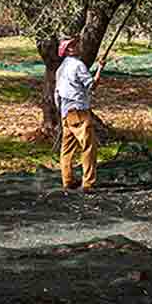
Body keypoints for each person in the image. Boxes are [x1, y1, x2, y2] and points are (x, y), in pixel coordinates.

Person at [55, 36, 102, 190]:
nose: (77, 46)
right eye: (73, 45)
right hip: (79, 111)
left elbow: (57, 94)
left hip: (65, 113)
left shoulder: (60, 69)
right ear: (69, 50)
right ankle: (88, 183)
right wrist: (100, 68)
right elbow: (92, 85)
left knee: (67, 149)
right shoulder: (78, 65)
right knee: (88, 147)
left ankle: (67, 180)